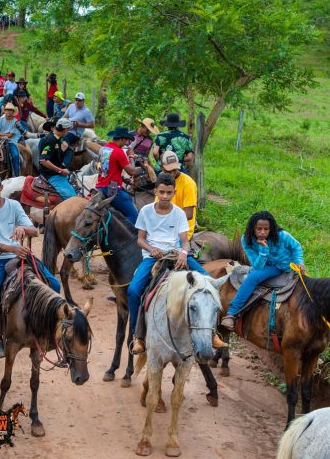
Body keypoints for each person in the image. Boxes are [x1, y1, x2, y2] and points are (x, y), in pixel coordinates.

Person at [128, 173, 222, 355]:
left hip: (175, 254)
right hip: (153, 257)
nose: (164, 196)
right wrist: (151, 248)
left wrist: (183, 253)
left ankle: (213, 333)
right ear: (155, 191)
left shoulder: (178, 213)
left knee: (210, 283)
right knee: (133, 291)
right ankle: (136, 336)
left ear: (174, 192)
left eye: (168, 193)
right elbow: (140, 239)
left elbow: (184, 241)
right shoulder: (146, 211)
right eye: (161, 192)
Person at [0, 172, 61, 359]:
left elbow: (34, 231)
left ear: (1, 188)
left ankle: (49, 328)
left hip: (21, 255)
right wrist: (12, 249)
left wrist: (23, 228)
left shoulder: (13, 206)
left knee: (54, 285)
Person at [220, 211, 305, 331]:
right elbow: (257, 265)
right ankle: (231, 313)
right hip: (270, 267)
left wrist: (299, 262)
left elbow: (296, 247)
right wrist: (263, 250)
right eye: (259, 229)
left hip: (290, 266)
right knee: (252, 277)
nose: (263, 232)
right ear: (252, 228)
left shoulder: (282, 236)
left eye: (266, 229)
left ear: (271, 229)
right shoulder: (247, 240)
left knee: (308, 286)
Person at [95, 126, 140, 225]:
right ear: (122, 139)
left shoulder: (103, 149)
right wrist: (131, 156)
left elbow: (105, 169)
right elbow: (131, 171)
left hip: (100, 186)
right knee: (134, 216)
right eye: (126, 140)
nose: (126, 143)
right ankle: (118, 233)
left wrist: (121, 178)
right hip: (112, 189)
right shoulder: (118, 152)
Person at [158, 151, 197, 239]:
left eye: (174, 170)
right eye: (168, 170)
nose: (172, 173)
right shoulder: (161, 178)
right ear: (161, 167)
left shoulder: (188, 184)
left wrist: (164, 220)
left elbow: (189, 214)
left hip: (181, 230)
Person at [39, 118, 76, 200]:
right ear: (65, 130)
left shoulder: (58, 139)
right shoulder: (50, 140)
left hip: (56, 174)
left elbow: (54, 156)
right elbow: (43, 161)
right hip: (52, 175)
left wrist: (62, 151)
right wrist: (61, 170)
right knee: (73, 199)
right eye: (68, 129)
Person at [0, 103, 25, 177]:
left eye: (10, 110)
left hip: (11, 141)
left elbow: (10, 135)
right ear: (5, 111)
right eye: (7, 110)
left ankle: (16, 175)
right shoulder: (1, 119)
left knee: (15, 155)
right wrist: (4, 135)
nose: (8, 112)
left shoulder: (15, 122)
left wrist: (1, 134)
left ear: (13, 112)